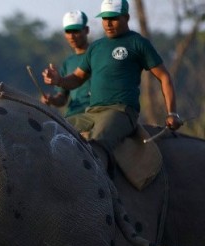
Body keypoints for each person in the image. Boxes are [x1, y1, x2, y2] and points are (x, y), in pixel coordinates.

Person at [42, 0, 182, 151]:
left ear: (126, 17)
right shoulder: (96, 47)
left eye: (113, 18)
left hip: (120, 112)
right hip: (91, 112)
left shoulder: (138, 42)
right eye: (104, 18)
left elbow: (164, 76)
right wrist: (59, 80)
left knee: (96, 144)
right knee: (55, 132)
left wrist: (172, 113)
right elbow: (77, 78)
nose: (108, 23)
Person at [42, 10, 91, 118]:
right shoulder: (68, 62)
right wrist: (52, 99)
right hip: (73, 115)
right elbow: (62, 98)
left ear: (86, 30)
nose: (72, 36)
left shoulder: (97, 55)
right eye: (68, 31)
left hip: (95, 112)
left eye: (76, 31)